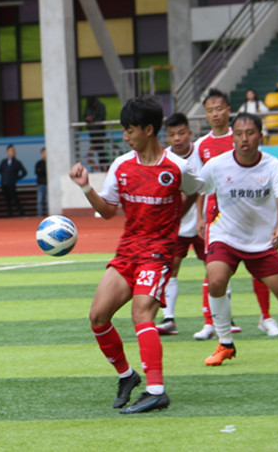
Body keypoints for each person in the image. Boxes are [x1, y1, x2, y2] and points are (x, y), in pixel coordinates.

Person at [69, 96, 204, 414]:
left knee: (141, 313)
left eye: (130, 130)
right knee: (97, 316)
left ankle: (156, 391)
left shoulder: (177, 167)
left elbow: (196, 188)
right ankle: (127, 375)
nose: (126, 136)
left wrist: (177, 218)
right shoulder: (121, 165)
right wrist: (86, 187)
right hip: (128, 250)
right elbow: (108, 211)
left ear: (148, 129)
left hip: (158, 253)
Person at [201, 112, 278, 366]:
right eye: (238, 134)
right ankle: (225, 343)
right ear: (233, 137)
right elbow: (196, 190)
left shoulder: (273, 166)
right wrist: (198, 217)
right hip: (225, 236)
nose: (244, 139)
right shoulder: (216, 165)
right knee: (216, 280)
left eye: (250, 133)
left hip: (261, 242)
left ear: (260, 135)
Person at [193, 88, 278, 341]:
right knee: (214, 270)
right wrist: (199, 217)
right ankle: (211, 323)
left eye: (219, 109)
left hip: (251, 213)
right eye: (210, 110)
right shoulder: (201, 146)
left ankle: (266, 317)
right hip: (217, 218)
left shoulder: (243, 134)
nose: (215, 114)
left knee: (261, 268)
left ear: (228, 110)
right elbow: (200, 184)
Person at [155, 113, 205, 336]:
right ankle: (169, 319)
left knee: (216, 269)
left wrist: (202, 217)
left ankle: (220, 318)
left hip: (203, 223)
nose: (177, 138)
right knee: (171, 269)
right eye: (172, 134)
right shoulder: (165, 159)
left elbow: (204, 188)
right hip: (178, 227)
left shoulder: (200, 154)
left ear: (190, 133)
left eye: (181, 133)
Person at [0, 144, 27, 217]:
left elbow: (24, 172)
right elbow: (0, 170)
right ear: (7, 152)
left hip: (11, 184)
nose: (13, 152)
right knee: (7, 200)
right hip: (4, 184)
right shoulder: (4, 162)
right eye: (11, 150)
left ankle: (21, 213)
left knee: (15, 199)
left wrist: (15, 178)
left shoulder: (17, 162)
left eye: (14, 150)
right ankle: (9, 214)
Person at [83, 96, 107, 170]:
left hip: (100, 133)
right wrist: (87, 119)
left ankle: (103, 167)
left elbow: (102, 117)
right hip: (92, 133)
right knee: (93, 150)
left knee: (101, 150)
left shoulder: (101, 106)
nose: (91, 106)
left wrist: (93, 119)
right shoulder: (88, 107)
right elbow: (84, 116)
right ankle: (95, 168)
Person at [35, 147, 48, 217]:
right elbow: (37, 172)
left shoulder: (49, 163)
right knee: (40, 201)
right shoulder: (39, 163)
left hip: (48, 184)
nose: (45, 154)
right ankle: (40, 215)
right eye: (44, 152)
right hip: (41, 184)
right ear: (41, 154)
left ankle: (49, 215)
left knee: (48, 201)